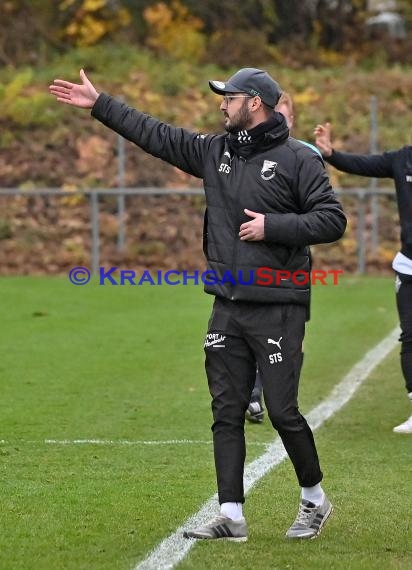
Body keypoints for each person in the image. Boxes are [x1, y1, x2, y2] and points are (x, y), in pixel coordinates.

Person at [50, 67, 346, 541]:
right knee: (226, 410)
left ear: (254, 102)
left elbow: (332, 220)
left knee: (282, 411)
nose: (221, 105)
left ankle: (315, 500)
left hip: (279, 304)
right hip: (227, 302)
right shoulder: (216, 152)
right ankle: (231, 516)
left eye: (228, 98)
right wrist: (101, 104)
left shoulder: (298, 160)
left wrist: (275, 227)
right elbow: (157, 135)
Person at [315, 122, 412, 434]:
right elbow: (363, 165)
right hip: (409, 266)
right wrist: (330, 154)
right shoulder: (402, 159)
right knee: (410, 337)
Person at [247, 92, 319, 424]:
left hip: (292, 263)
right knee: (254, 328)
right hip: (255, 259)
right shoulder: (247, 153)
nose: (282, 122)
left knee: (291, 336)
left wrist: (278, 225)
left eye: (287, 117)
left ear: (292, 121)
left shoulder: (306, 155)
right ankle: (254, 394)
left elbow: (319, 214)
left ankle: (286, 398)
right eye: (278, 115)